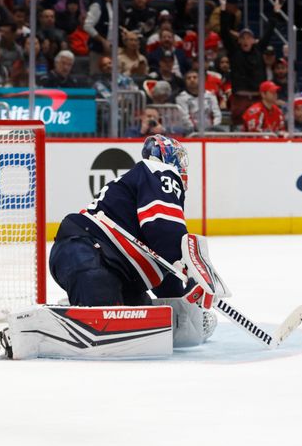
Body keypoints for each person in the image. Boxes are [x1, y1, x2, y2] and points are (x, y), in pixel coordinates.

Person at [45, 135, 214, 340]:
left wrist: (185, 297)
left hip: (106, 264)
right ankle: (54, 325)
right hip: (87, 252)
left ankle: (75, 308)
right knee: (106, 330)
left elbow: (161, 264)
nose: (182, 165)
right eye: (177, 157)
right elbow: (163, 228)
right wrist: (186, 267)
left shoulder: (147, 182)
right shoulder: (159, 171)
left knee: (142, 326)